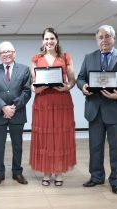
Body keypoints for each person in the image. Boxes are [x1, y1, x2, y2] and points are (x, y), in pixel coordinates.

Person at [76, 25, 117, 194]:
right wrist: (84, 86)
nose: (104, 40)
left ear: (114, 38)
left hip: (116, 109)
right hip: (94, 109)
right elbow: (80, 78)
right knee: (95, 147)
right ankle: (96, 177)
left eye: (107, 36)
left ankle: (116, 180)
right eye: (100, 37)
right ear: (97, 40)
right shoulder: (89, 57)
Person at [29, 28, 76, 187]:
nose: (49, 42)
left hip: (61, 100)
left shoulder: (65, 57)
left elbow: (72, 80)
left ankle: (58, 172)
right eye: (46, 39)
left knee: (60, 137)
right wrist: (35, 88)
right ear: (43, 41)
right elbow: (33, 82)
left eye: (52, 39)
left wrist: (67, 87)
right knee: (46, 138)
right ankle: (46, 172)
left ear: (57, 40)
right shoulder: (36, 58)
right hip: (43, 102)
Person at [0, 41, 31, 186]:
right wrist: (3, 107)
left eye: (9, 51)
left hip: (17, 114)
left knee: (17, 145)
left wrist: (13, 107)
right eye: (3, 52)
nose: (6, 54)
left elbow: (26, 92)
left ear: (14, 53)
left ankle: (17, 172)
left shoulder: (24, 70)